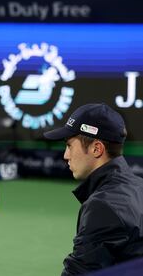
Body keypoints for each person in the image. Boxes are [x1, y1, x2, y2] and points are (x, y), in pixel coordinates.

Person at [43, 103, 143, 275]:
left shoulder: (103, 207)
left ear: (96, 149)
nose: (66, 155)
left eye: (69, 145)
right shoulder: (139, 186)